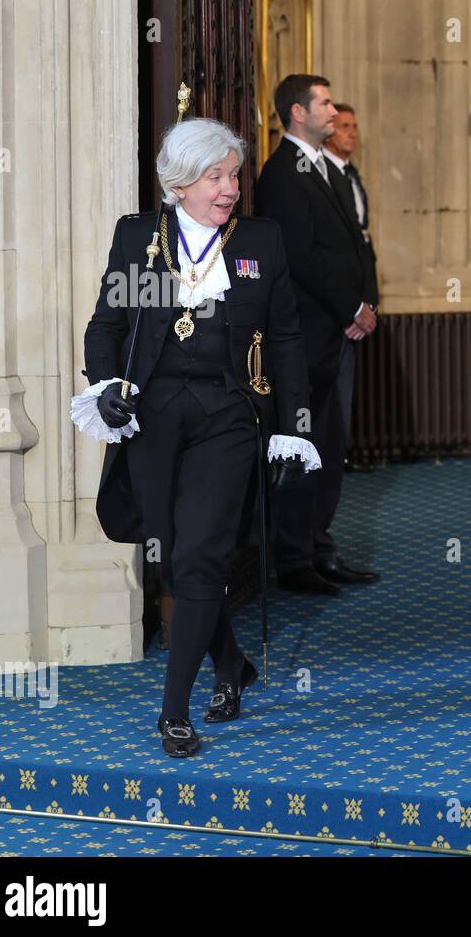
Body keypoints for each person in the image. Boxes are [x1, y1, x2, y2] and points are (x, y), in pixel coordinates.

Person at [75, 117, 319, 757]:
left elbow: (287, 340)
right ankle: (231, 662)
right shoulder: (141, 242)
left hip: (228, 414)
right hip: (153, 415)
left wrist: (294, 425)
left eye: (234, 175)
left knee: (201, 557)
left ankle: (174, 712)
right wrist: (105, 384)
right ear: (180, 184)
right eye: (216, 177)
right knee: (170, 553)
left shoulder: (258, 245)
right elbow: (105, 326)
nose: (231, 188)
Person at [255, 74, 380, 594]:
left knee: (330, 445)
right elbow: (300, 259)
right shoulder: (282, 173)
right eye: (325, 103)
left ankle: (320, 546)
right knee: (303, 445)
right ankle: (294, 560)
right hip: (306, 337)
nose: (334, 110)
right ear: (298, 113)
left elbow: (353, 244)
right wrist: (350, 305)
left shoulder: (326, 168)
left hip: (338, 333)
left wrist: (364, 304)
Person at [322, 102, 379, 443]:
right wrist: (350, 309)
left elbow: (363, 242)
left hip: (358, 300)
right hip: (333, 310)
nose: (351, 133)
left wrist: (370, 301)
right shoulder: (323, 176)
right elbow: (326, 253)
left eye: (354, 126)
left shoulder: (350, 173)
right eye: (343, 126)